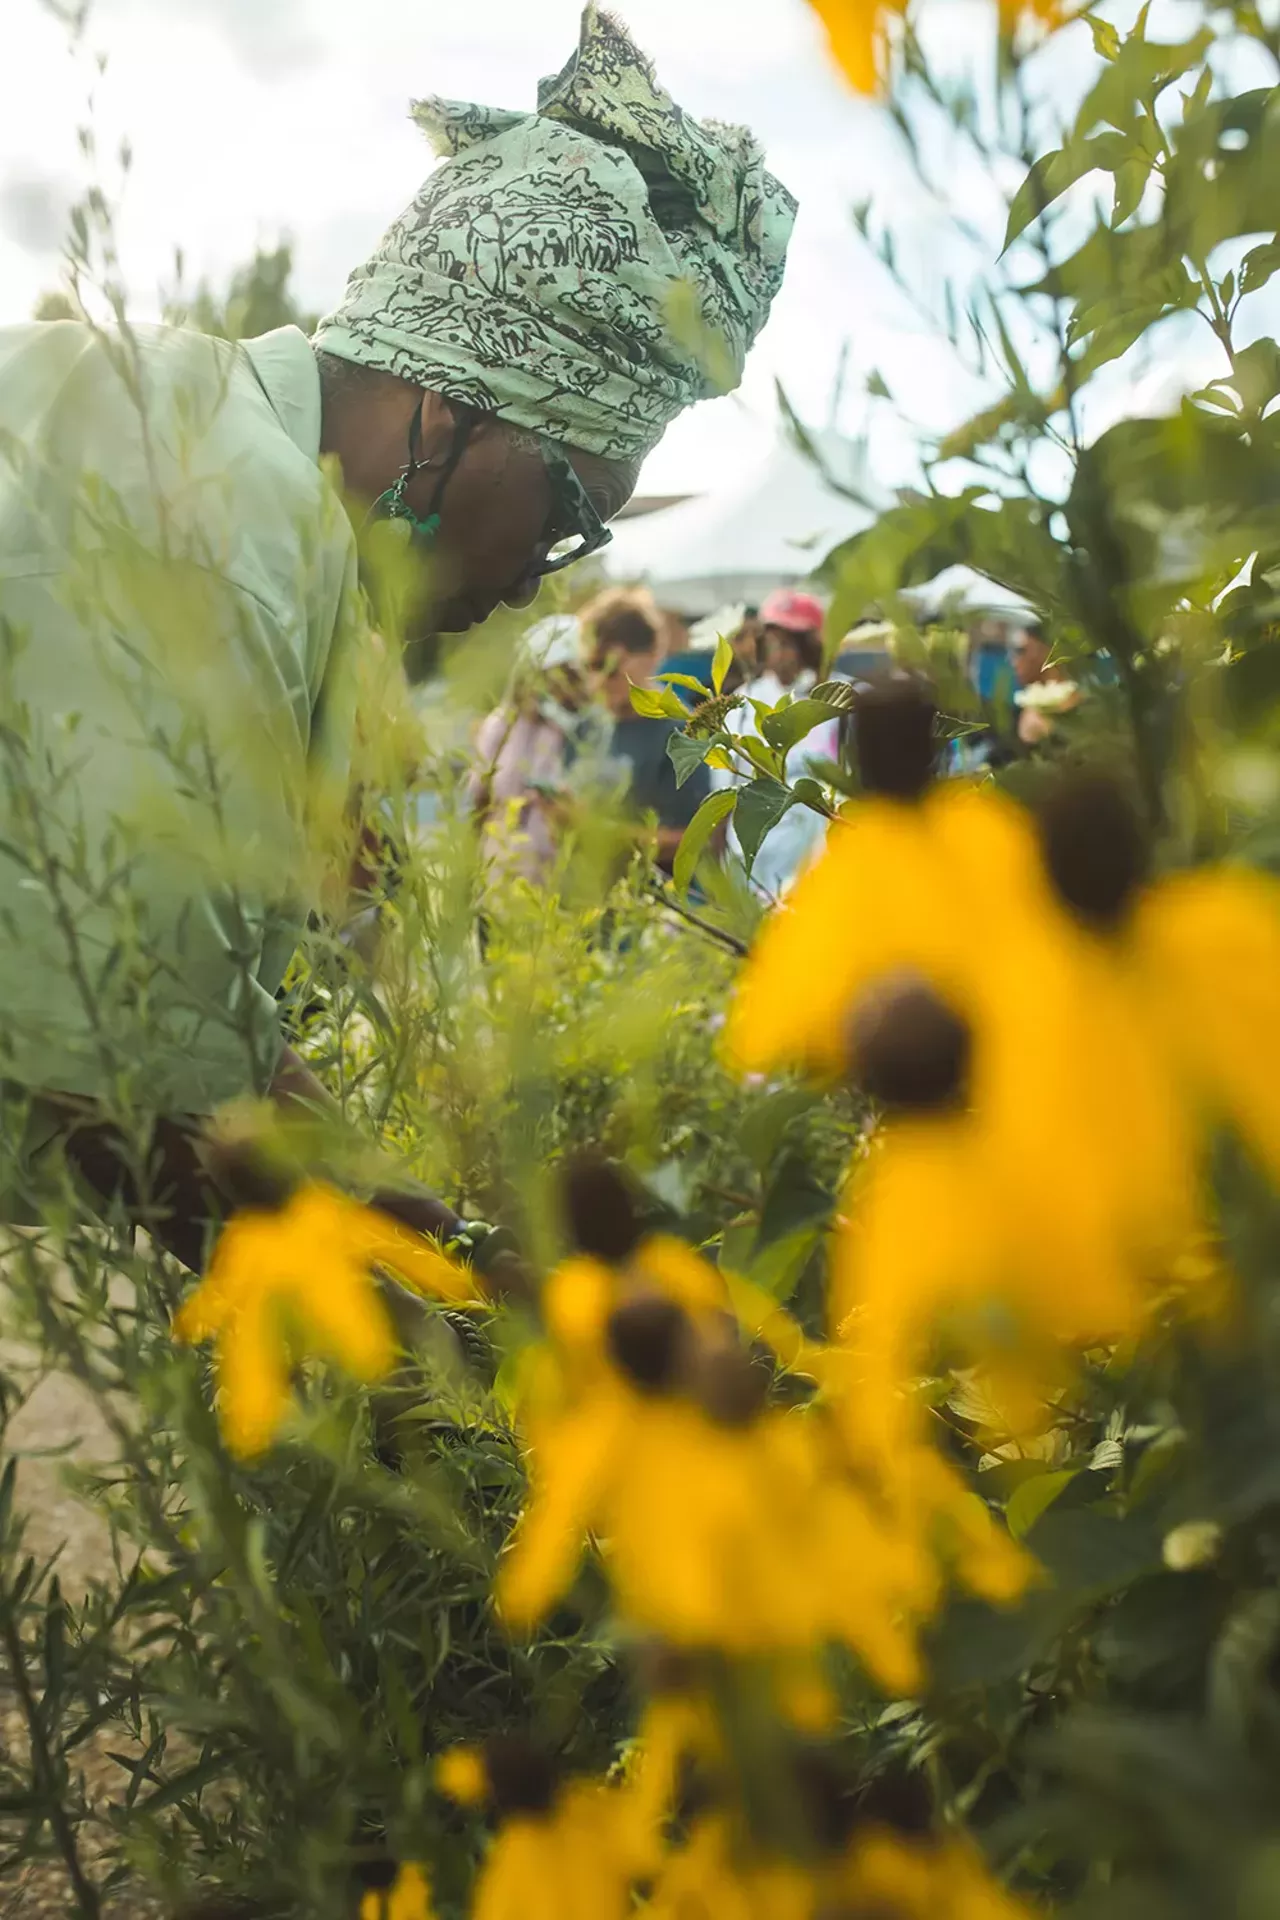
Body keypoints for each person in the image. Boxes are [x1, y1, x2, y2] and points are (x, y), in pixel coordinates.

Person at [0, 6, 796, 1263]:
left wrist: (453, 1241)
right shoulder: (216, 529)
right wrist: (463, 1378)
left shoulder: (238, 472)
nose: (543, 583)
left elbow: (205, 1028)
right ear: (447, 410)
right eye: (568, 510)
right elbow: (124, 1090)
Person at [717, 588, 840, 898]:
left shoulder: (837, 699)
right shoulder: (743, 704)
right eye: (772, 643)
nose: (779, 654)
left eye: (788, 644)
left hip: (814, 855)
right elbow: (724, 787)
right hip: (754, 855)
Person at [468, 615, 609, 883]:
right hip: (503, 871)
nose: (561, 687)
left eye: (570, 675)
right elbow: (478, 801)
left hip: (563, 877)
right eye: (554, 675)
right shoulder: (500, 727)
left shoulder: (588, 726)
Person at [582, 589, 713, 873]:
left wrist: (601, 834)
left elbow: (691, 840)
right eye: (590, 666)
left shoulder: (681, 736)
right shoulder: (589, 728)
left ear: (653, 655)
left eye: (610, 665)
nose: (598, 680)